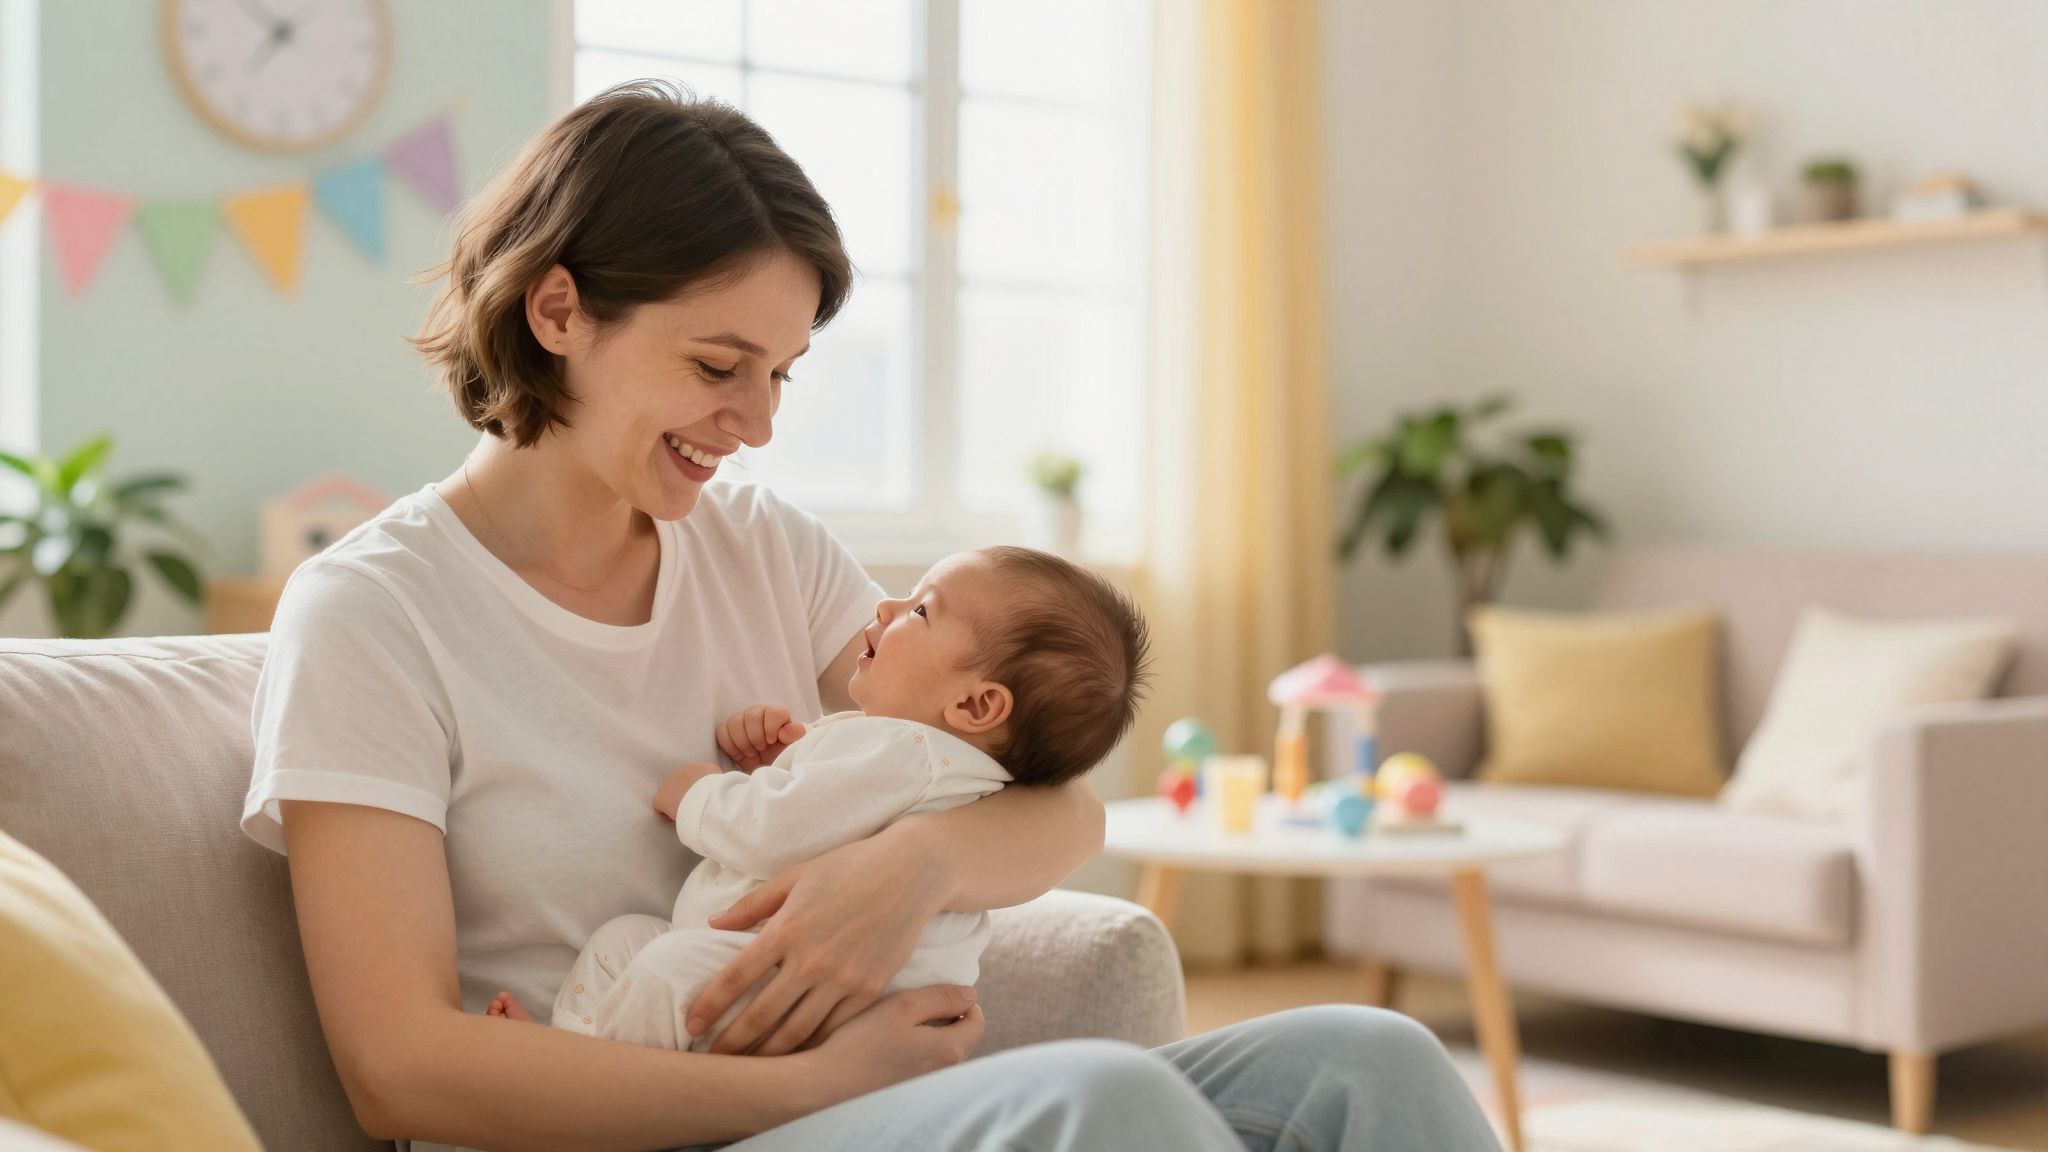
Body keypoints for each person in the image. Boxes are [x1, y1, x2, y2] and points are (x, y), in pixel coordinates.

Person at [241, 81, 1503, 1151]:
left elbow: (1043, 797)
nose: (758, 423)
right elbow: (397, 1066)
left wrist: (918, 864)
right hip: (655, 1122)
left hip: (826, 1111)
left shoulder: (759, 549)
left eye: (780, 373)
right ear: (558, 311)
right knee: (1104, 1100)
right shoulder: (372, 612)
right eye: (716, 365)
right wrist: (808, 1086)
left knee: (1364, 1058)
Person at [487, 546, 1151, 1053]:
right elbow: (826, 810)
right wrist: (785, 760)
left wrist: (700, 794)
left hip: (819, 997)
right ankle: (571, 1059)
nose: (889, 608)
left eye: (921, 610)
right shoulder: (919, 758)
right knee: (629, 941)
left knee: (657, 965)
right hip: (805, 986)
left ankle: (583, 1100)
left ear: (976, 704)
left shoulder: (905, 752)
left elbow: (773, 830)